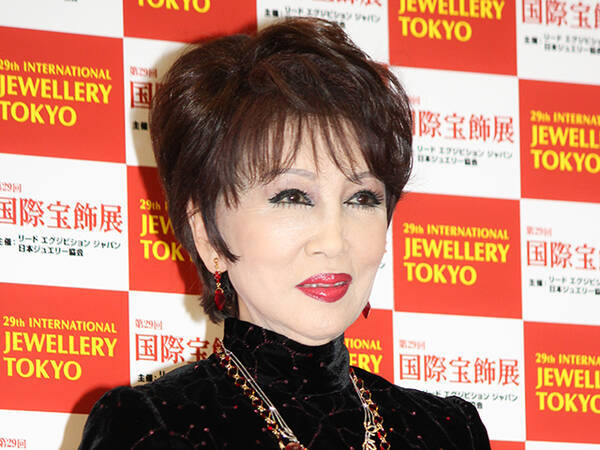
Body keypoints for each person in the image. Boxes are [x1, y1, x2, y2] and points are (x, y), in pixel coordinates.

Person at [79, 18, 490, 450]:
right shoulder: (154, 426)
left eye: (361, 198)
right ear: (208, 236)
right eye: (292, 197)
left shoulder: (447, 432)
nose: (333, 241)